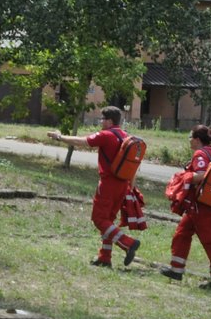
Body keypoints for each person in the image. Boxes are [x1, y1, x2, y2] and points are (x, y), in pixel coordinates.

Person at [48, 105, 142, 268]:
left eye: (102, 119)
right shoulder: (126, 136)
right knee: (108, 221)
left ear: (109, 121)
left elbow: (82, 141)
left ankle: (128, 242)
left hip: (108, 184)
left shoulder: (106, 135)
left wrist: (59, 137)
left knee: (99, 219)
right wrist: (130, 187)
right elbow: (133, 165)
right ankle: (105, 257)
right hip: (122, 184)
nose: (100, 121)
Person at [160, 125, 211, 291]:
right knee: (182, 233)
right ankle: (176, 270)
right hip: (206, 203)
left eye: (190, 137)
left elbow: (202, 175)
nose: (189, 140)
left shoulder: (200, 154)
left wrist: (186, 176)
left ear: (197, 139)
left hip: (201, 206)